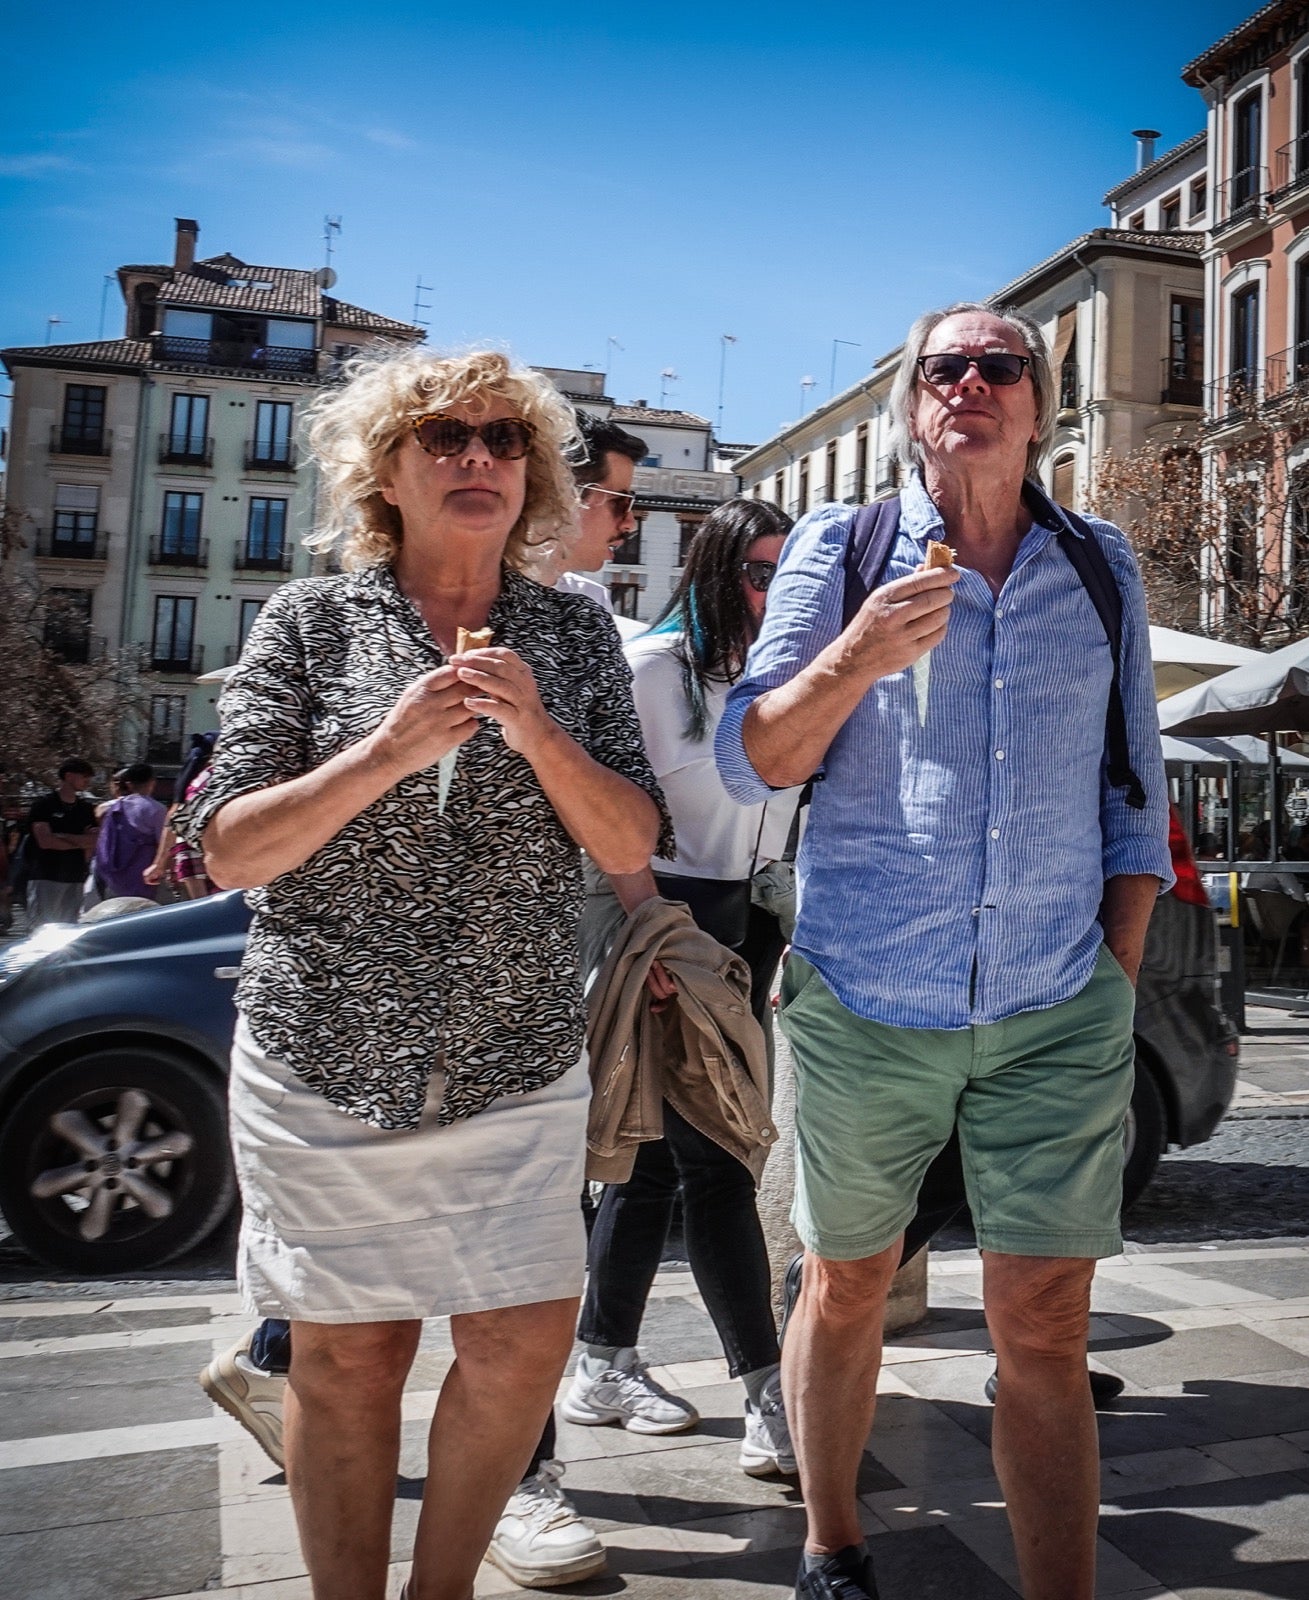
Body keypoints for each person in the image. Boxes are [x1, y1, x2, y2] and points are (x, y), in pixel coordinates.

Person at [175, 345, 670, 1600]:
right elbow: (227, 846)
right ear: (384, 471)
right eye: (443, 436)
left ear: (533, 478)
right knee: (351, 1359)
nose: (477, 458)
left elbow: (630, 839)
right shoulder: (308, 621)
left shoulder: (571, 634)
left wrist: (539, 731)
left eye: (506, 440)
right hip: (325, 1051)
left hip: (513, 1051)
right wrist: (387, 750)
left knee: (521, 1344)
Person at [715, 302, 1172, 1600]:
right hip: (866, 999)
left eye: (999, 365)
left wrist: (1113, 987)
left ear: (1039, 403)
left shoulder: (1102, 565)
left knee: (1043, 1322)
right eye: (944, 368)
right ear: (912, 405)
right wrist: (857, 653)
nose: (970, 383)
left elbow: (1135, 792)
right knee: (846, 1284)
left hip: (1054, 1005)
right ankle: (830, 1544)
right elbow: (756, 755)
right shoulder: (836, 548)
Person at [564, 498, 803, 1475]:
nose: (771, 590)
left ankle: (597, 1357)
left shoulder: (785, 676)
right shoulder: (655, 671)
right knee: (717, 1167)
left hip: (757, 924)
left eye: (786, 574)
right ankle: (765, 1391)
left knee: (657, 1162)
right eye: (755, 571)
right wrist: (648, 939)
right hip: (672, 920)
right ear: (710, 570)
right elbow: (605, 816)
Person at [24, 757, 99, 927]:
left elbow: (94, 841)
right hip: (46, 875)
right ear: (69, 776)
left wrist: (62, 837)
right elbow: (45, 841)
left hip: (76, 876)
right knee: (42, 928)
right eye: (84, 776)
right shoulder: (44, 804)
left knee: (69, 929)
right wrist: (80, 841)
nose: (87, 781)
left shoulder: (86, 809)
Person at [145, 734, 219, 899]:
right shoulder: (213, 780)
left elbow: (176, 820)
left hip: (202, 861)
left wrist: (159, 864)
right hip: (223, 862)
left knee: (206, 912)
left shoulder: (197, 783)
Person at [93, 763, 167, 901]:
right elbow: (163, 843)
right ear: (152, 782)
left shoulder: (112, 808)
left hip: (111, 873)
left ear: (129, 784)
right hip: (143, 875)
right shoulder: (157, 809)